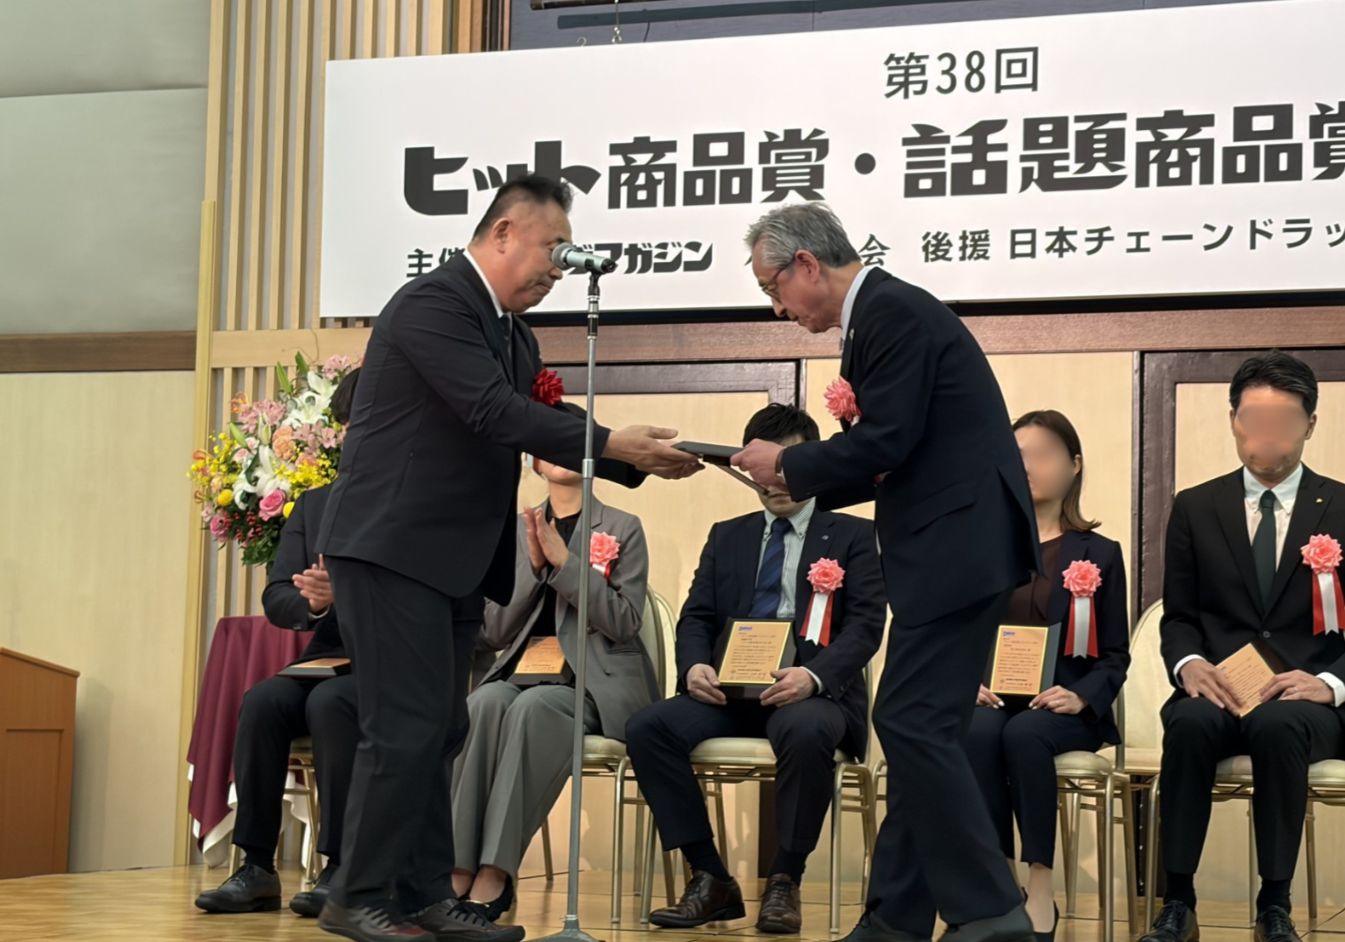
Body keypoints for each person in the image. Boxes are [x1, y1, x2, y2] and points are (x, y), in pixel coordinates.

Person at [315, 175, 700, 942]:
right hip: (393, 547)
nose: (559, 267)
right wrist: (612, 445)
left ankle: (425, 894)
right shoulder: (433, 303)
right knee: (402, 727)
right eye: (552, 247)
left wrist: (636, 457)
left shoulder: (513, 335)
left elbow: (537, 415)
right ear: (502, 233)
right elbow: (492, 411)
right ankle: (355, 895)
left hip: (452, 559)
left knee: (441, 730)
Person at [732, 203, 1040, 942]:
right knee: (920, 731)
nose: (778, 309)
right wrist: (790, 478)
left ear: (807, 264)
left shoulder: (890, 312)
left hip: (959, 545)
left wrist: (792, 463)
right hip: (957, 544)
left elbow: (889, 439)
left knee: (908, 722)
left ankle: (992, 911)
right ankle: (895, 920)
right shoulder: (881, 314)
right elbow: (895, 454)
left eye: (773, 288)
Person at [629, 403, 885, 935]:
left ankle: (785, 878)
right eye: (765, 466)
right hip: (730, 692)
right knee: (649, 727)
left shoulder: (852, 536)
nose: (775, 480)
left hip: (812, 695)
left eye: (789, 464)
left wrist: (813, 676)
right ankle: (710, 876)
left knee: (806, 728)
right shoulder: (728, 535)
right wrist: (694, 666)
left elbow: (865, 627)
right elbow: (697, 617)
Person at [1143, 351, 1345, 942]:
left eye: (1283, 419)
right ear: (1234, 420)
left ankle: (1274, 905)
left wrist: (1330, 684)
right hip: (1222, 691)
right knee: (1188, 724)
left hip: (1303, 701)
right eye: (1253, 418)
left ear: (1310, 423)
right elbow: (1180, 617)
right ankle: (1178, 902)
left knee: (1278, 725)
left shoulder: (1341, 506)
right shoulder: (1196, 506)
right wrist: (1188, 664)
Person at [451, 413, 656, 920]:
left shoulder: (623, 527)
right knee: (483, 703)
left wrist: (567, 566)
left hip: (591, 682)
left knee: (533, 708)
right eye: (550, 443)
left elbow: (624, 622)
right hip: (521, 673)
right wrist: (535, 569)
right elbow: (493, 632)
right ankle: (456, 868)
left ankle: (495, 873)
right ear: (533, 460)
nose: (561, 451)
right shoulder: (514, 529)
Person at [194, 368, 363, 919]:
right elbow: (277, 595)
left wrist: (347, 593)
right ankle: (257, 867)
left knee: (331, 704)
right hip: (328, 656)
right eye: (348, 425)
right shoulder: (314, 505)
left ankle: (340, 867)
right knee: (263, 701)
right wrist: (315, 603)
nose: (357, 434)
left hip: (390, 659)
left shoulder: (409, 502)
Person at [966, 410, 1130, 942]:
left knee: (1027, 733)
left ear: (1074, 464)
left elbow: (1115, 655)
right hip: (992, 698)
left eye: (1042, 455)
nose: (1029, 466)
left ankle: (1040, 880)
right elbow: (959, 634)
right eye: (1018, 457)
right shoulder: (983, 545)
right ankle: (998, 881)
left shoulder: (1100, 554)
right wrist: (966, 679)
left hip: (1063, 708)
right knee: (978, 732)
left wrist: (1081, 696)